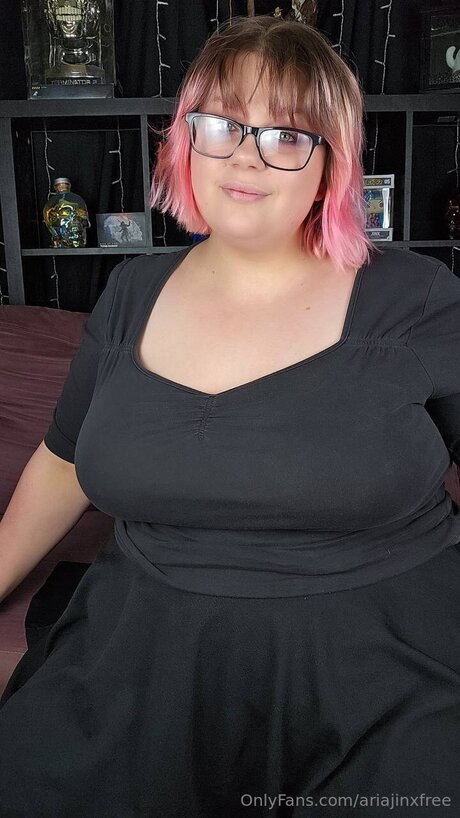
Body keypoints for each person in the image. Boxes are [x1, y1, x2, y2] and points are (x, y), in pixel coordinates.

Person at [0, 13, 459, 818]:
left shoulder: (417, 298)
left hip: (384, 663)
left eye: (287, 135)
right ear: (186, 142)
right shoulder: (132, 292)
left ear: (332, 163)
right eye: (223, 125)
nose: (247, 154)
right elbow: (64, 462)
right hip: (141, 656)